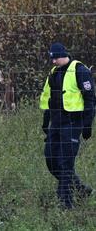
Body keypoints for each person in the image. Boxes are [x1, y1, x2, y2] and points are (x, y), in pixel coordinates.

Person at [40, 42, 96, 209]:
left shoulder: (79, 70)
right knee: (51, 160)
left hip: (73, 123)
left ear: (64, 55)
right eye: (51, 59)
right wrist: (46, 122)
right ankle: (81, 189)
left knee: (66, 163)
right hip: (56, 123)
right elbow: (50, 99)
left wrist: (87, 125)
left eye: (55, 58)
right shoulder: (54, 73)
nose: (53, 62)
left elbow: (91, 99)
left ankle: (65, 203)